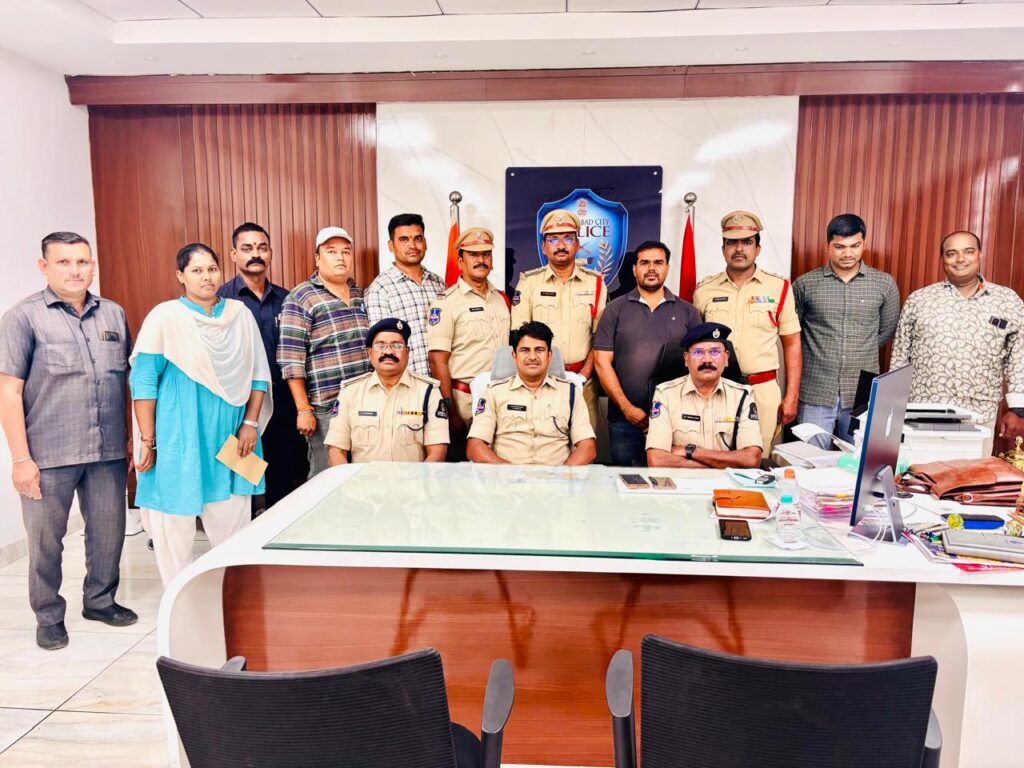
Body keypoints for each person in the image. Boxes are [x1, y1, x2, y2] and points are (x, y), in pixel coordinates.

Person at [0, 231, 136, 650]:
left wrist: (130, 439)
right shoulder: (23, 318)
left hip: (107, 450)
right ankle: (48, 616)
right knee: (46, 541)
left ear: (92, 265)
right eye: (64, 262)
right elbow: (8, 391)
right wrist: (20, 460)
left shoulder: (113, 314)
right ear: (44, 266)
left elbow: (127, 381)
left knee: (109, 532)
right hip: (48, 453)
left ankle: (100, 600)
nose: (75, 270)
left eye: (82, 262)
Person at [131, 243, 271, 586]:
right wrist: (148, 440)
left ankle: (230, 596)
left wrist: (250, 423)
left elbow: (258, 374)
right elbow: (144, 381)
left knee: (234, 527)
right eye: (196, 270)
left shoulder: (240, 315)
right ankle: (179, 597)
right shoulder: (165, 317)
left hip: (231, 434)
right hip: (178, 437)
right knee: (173, 528)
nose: (206, 277)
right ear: (181, 276)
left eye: (211, 269)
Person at [892, 230, 1024, 454]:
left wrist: (1018, 409)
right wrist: (892, 407)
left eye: (968, 251)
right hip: (923, 414)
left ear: (980, 254)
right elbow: (899, 357)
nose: (960, 259)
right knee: (921, 473)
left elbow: (1019, 356)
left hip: (979, 415)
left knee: (972, 475)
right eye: (951, 253)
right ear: (942, 259)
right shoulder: (919, 300)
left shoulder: (1007, 301)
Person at [692, 210, 801, 454]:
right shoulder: (704, 290)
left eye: (747, 242)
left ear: (758, 248)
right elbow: (695, 346)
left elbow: (792, 342)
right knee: (715, 456)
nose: (739, 249)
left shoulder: (779, 288)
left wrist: (791, 395)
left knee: (756, 459)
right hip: (716, 389)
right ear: (723, 249)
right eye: (732, 243)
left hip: (761, 392)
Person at [218, 222, 308, 511]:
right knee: (241, 483)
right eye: (247, 248)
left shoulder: (289, 299)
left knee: (283, 482)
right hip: (240, 410)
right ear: (234, 254)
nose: (255, 254)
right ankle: (244, 535)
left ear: (270, 253)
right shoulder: (221, 300)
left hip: (283, 407)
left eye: (261, 248)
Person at [793, 213, 900, 446]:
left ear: (864, 244)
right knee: (809, 459)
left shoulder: (884, 284)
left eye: (855, 246)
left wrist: (858, 349)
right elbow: (793, 335)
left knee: (857, 459)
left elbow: (886, 330)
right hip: (816, 390)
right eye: (839, 247)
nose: (848, 254)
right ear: (827, 246)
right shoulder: (805, 284)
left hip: (861, 394)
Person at [593, 240, 702, 466]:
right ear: (634, 269)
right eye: (644, 263)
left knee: (673, 481)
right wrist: (627, 409)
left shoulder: (688, 312)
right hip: (625, 420)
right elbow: (602, 362)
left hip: (676, 421)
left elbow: (699, 366)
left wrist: (667, 416)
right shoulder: (614, 310)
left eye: (658, 263)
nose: (651, 268)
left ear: (667, 268)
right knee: (627, 479)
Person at [278, 226, 371, 477]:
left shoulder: (360, 294)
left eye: (346, 251)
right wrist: (303, 410)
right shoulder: (301, 297)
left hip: (364, 404)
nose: (340, 257)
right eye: (332, 251)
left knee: (362, 477)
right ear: (317, 258)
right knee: (328, 478)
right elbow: (291, 359)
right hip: (327, 409)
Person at [510, 209, 607, 424]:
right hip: (539, 382)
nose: (561, 245)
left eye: (568, 238)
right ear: (544, 247)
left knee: (583, 441)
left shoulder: (596, 283)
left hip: (584, 383)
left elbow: (601, 339)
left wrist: (583, 375)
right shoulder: (529, 283)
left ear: (578, 244)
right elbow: (518, 337)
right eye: (553, 239)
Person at [426, 227, 511, 459]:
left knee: (498, 466)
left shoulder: (502, 299)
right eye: (473, 254)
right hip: (464, 403)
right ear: (460, 261)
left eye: (486, 254)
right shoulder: (446, 303)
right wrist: (450, 411)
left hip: (500, 400)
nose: (481, 260)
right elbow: (437, 361)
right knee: (463, 471)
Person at [467, 321, 596, 466]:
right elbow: (475, 447)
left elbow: (587, 447)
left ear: (549, 355)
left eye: (539, 350)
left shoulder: (570, 392)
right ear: (514, 355)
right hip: (507, 477)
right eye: (525, 350)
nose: (532, 357)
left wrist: (563, 475)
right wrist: (508, 471)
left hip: (556, 477)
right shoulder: (493, 392)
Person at [325, 318, 448, 464]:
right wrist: (349, 479)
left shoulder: (428, 392)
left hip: (411, 478)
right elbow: (336, 451)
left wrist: (420, 479)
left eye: (397, 345)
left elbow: (437, 453)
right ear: (369, 353)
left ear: (407, 352)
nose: (388, 351)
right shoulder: (350, 392)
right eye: (381, 345)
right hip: (364, 479)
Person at [646, 323, 762, 469]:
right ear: (686, 359)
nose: (707, 360)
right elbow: (656, 460)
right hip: (682, 481)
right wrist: (718, 466)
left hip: (726, 483)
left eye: (715, 352)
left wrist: (692, 451)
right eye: (698, 353)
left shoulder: (742, 396)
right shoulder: (665, 394)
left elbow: (752, 459)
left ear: (726, 358)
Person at [365, 213, 446, 376]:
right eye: (404, 240)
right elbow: (382, 348)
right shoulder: (380, 289)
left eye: (418, 238)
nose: (412, 245)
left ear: (425, 243)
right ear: (391, 246)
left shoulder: (438, 284)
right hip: (407, 384)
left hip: (442, 381)